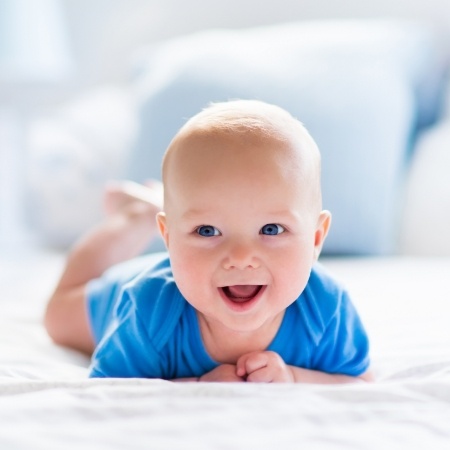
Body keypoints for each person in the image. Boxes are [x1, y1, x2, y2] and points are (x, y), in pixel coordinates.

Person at [44, 99, 373, 383]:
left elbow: (357, 381)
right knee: (57, 317)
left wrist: (293, 377)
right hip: (116, 295)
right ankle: (137, 217)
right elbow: (110, 392)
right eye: (207, 230)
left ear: (316, 238)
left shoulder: (326, 308)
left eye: (271, 229)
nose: (241, 256)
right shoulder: (148, 310)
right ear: (169, 237)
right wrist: (197, 383)